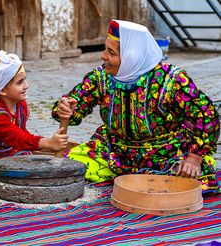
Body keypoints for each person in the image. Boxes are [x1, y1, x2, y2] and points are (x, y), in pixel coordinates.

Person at [53, 19, 220, 195]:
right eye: (106, 49)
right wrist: (65, 108)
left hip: (164, 155)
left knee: (183, 180)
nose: (103, 56)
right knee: (71, 165)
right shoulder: (101, 77)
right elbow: (74, 105)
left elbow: (207, 115)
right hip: (114, 152)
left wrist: (194, 158)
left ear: (131, 57)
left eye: (111, 52)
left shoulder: (170, 80)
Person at [0, 50, 69, 187]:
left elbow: (22, 134)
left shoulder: (20, 105)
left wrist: (48, 143)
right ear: (2, 90)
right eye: (20, 82)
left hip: (11, 151)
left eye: (25, 79)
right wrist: (48, 143)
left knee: (34, 159)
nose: (27, 86)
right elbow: (18, 138)